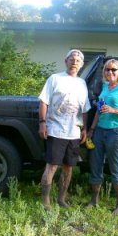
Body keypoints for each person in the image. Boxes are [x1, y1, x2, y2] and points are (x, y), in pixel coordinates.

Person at [38, 49, 91, 209]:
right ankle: (45, 201)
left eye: (78, 60)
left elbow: (85, 109)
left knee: (68, 168)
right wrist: (42, 123)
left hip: (74, 132)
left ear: (81, 65)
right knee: (52, 166)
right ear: (65, 61)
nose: (75, 62)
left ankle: (61, 199)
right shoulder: (55, 79)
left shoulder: (82, 84)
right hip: (55, 130)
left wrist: (84, 129)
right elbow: (43, 102)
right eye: (72, 59)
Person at [87, 59, 118, 215]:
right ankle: (94, 201)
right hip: (100, 130)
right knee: (95, 165)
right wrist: (92, 129)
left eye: (114, 70)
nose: (110, 72)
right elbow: (99, 111)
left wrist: (114, 110)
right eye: (107, 69)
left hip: (117, 131)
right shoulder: (104, 87)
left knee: (115, 168)